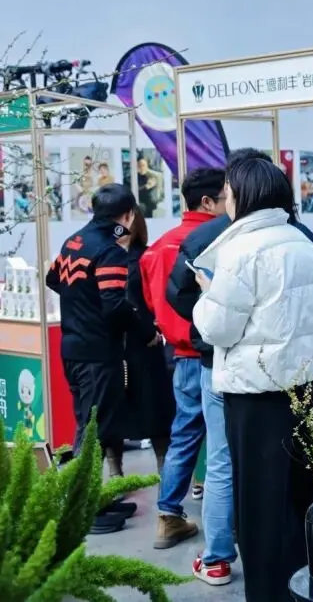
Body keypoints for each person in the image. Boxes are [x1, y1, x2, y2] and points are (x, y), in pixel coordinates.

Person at [165, 150, 313, 582]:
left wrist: (207, 293)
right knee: (297, 495)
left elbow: (218, 327)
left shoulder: (239, 249)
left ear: (245, 195)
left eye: (229, 192)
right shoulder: (303, 240)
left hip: (254, 392)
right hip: (301, 385)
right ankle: (300, 584)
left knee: (257, 504)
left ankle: (265, 586)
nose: (225, 200)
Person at [141, 166, 232, 573]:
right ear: (209, 202)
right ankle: (227, 530)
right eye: (227, 196)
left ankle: (168, 513)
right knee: (224, 449)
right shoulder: (216, 240)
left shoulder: (159, 246)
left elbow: (148, 298)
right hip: (213, 353)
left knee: (184, 433)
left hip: (179, 354)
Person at [45, 183, 141, 535]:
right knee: (94, 431)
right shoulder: (109, 250)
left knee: (87, 425)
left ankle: (95, 500)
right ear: (127, 216)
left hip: (73, 348)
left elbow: (53, 279)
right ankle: (85, 509)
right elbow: (114, 306)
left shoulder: (73, 241)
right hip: (99, 354)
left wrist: (82, 305)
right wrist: (145, 330)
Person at [117, 208, 171, 480]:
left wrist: (155, 329)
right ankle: (115, 473)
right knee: (114, 413)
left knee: (155, 409)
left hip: (147, 341)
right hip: (116, 345)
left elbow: (158, 297)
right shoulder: (104, 256)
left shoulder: (147, 256)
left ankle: (165, 470)